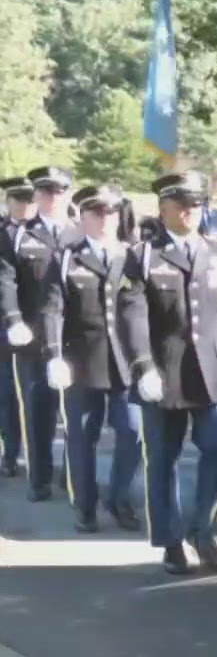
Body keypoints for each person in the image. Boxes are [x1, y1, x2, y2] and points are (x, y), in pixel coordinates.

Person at [118, 172, 217, 576]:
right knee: (162, 460)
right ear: (164, 208)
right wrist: (143, 367)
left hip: (215, 372)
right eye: (181, 204)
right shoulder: (142, 256)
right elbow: (131, 316)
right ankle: (171, 541)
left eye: (196, 204)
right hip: (164, 374)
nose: (190, 210)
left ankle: (201, 527)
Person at [47, 186, 142, 533]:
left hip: (126, 364)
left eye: (110, 213)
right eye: (95, 213)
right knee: (81, 437)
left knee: (133, 432)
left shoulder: (134, 257)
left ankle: (118, 498)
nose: (103, 219)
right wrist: (55, 356)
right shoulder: (68, 257)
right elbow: (54, 310)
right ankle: (85, 505)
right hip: (82, 363)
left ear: (119, 217)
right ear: (83, 217)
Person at [0, 165, 77, 500]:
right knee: (37, 410)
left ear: (67, 194)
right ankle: (40, 477)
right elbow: (6, 280)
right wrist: (14, 319)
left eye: (58, 191)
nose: (51, 198)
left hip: (76, 338)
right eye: (44, 191)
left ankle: (74, 474)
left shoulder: (80, 233)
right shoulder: (17, 234)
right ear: (37, 195)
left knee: (76, 413)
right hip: (33, 336)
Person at [0, 175, 32, 478]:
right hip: (3, 324)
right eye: (17, 199)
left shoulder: (42, 233)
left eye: (27, 199)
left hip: (36, 322)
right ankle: (10, 454)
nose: (22, 205)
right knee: (6, 394)